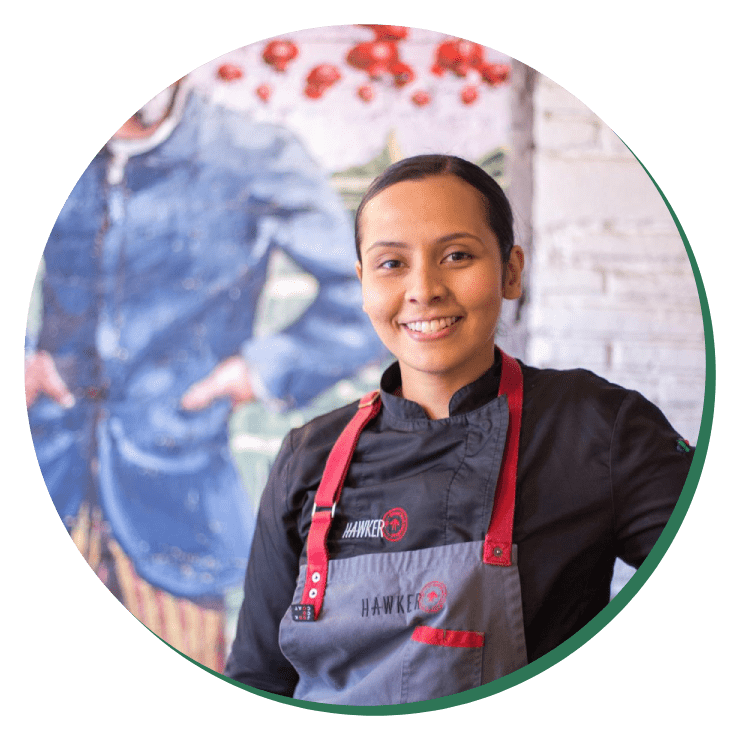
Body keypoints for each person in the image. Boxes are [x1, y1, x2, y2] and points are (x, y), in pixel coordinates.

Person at [223, 154, 693, 704]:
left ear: (510, 270)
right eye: (392, 264)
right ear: (362, 284)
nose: (424, 289)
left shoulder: (596, 428)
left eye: (456, 256)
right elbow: (258, 679)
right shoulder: (307, 455)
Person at [25, 80, 384, 670]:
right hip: (51, 473)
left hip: (176, 498)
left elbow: (368, 291)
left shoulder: (250, 152)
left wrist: (260, 369)